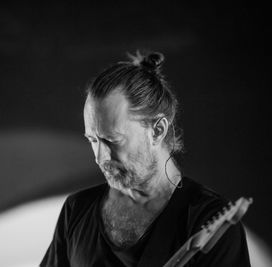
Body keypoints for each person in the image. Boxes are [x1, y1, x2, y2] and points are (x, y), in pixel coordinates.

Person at [40, 50, 250, 266]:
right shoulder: (76, 210)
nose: (100, 157)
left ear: (157, 131)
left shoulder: (206, 218)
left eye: (112, 140)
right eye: (93, 140)